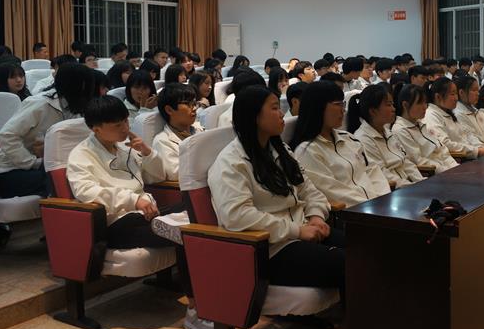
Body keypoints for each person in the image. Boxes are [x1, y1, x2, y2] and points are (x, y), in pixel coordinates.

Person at [67, 96, 213, 329]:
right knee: (185, 234)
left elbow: (156, 177)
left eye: (126, 121)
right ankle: (196, 310)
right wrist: (132, 200)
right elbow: (86, 192)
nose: (125, 128)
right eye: (117, 125)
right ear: (96, 128)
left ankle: (213, 298)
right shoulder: (81, 155)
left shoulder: (125, 148)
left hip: (145, 214)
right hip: (116, 223)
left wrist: (147, 153)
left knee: (196, 211)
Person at [208, 86, 344, 301]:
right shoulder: (231, 163)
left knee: (367, 249)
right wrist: (297, 231)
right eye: (274, 108)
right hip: (273, 249)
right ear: (254, 116)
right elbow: (237, 216)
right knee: (351, 263)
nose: (282, 114)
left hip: (305, 230)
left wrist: (316, 216)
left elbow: (309, 190)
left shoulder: (280, 150)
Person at [0, 64, 99, 198]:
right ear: (73, 86)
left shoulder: (76, 106)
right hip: (12, 172)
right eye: (85, 87)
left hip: (50, 165)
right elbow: (6, 136)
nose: (88, 92)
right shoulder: (40, 104)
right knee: (62, 178)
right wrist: (32, 162)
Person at [291, 81, 390, 207]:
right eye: (338, 104)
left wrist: (384, 198)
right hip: (356, 212)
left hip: (378, 205)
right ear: (318, 107)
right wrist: (372, 206)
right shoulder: (308, 151)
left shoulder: (349, 138)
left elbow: (372, 170)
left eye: (343, 104)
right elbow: (333, 192)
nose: (343, 110)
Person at [348, 84, 421, 188]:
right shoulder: (363, 139)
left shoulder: (388, 132)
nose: (393, 109)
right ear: (373, 111)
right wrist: (412, 187)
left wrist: (421, 182)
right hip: (393, 190)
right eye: (388, 105)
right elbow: (382, 174)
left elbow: (406, 162)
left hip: (408, 185)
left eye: (392, 104)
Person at [391, 84, 458, 173]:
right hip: (433, 175)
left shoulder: (422, 124)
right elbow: (419, 161)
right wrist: (448, 171)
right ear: (405, 105)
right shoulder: (400, 130)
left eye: (425, 102)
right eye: (420, 103)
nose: (425, 107)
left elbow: (442, 150)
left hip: (448, 170)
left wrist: (455, 167)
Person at [423, 77, 484, 160]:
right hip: (458, 160)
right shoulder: (431, 115)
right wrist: (476, 151)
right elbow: (445, 144)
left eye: (456, 94)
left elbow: (468, 134)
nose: (456, 98)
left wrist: (480, 147)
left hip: (470, 155)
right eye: (452, 94)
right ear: (438, 97)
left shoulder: (449, 113)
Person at [152, 84, 203, 181]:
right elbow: (175, 174)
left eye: (194, 103)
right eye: (188, 104)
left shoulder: (199, 130)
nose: (194, 108)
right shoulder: (162, 141)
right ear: (169, 110)